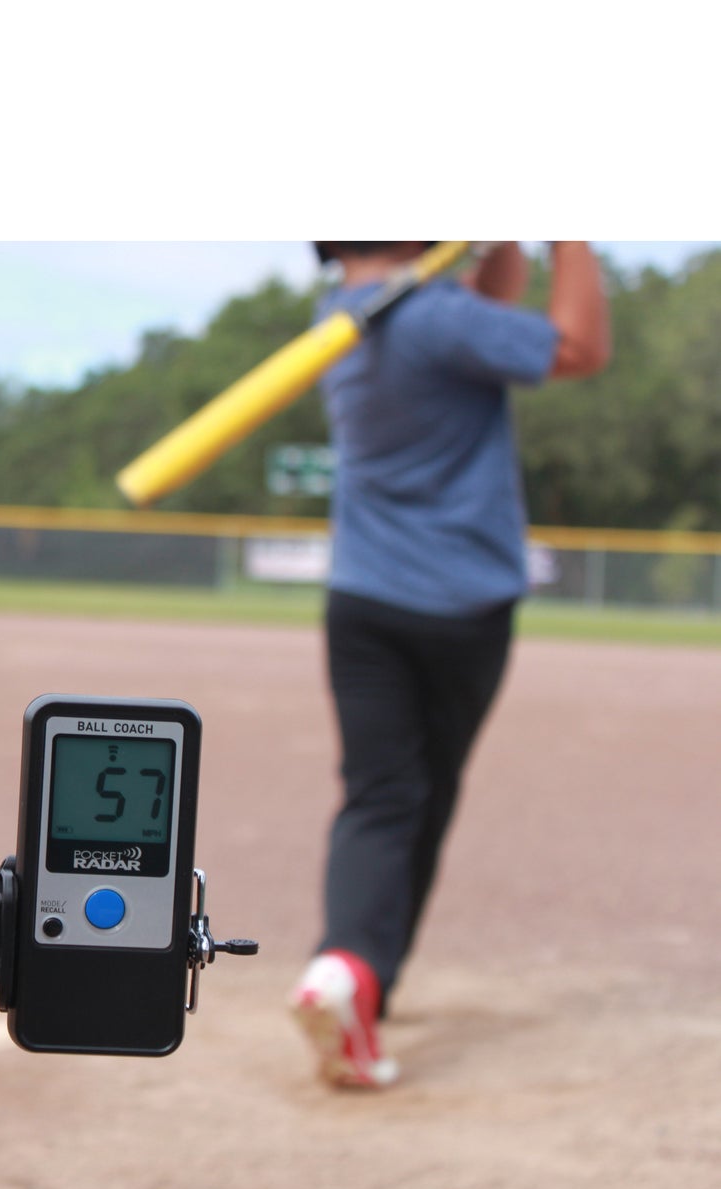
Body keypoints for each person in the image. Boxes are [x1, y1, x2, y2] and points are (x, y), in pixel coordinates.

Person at [290, 241, 611, 1088]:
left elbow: (486, 305)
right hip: (461, 605)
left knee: (378, 795)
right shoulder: (437, 321)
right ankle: (360, 974)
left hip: (361, 599)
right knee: (421, 799)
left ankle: (350, 972)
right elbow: (578, 347)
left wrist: (498, 245)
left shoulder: (341, 319)